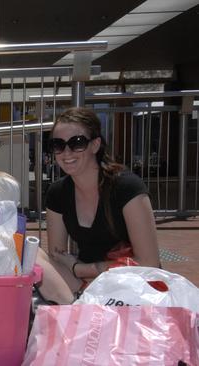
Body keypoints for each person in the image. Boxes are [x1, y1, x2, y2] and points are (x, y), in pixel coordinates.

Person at [36, 107, 160, 304]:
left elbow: (148, 262)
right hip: (84, 285)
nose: (66, 152)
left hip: (131, 285)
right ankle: (80, 306)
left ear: (95, 145)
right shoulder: (57, 193)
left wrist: (81, 269)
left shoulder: (126, 187)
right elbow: (58, 256)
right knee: (31, 252)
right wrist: (78, 272)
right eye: (58, 144)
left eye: (77, 143)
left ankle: (79, 309)